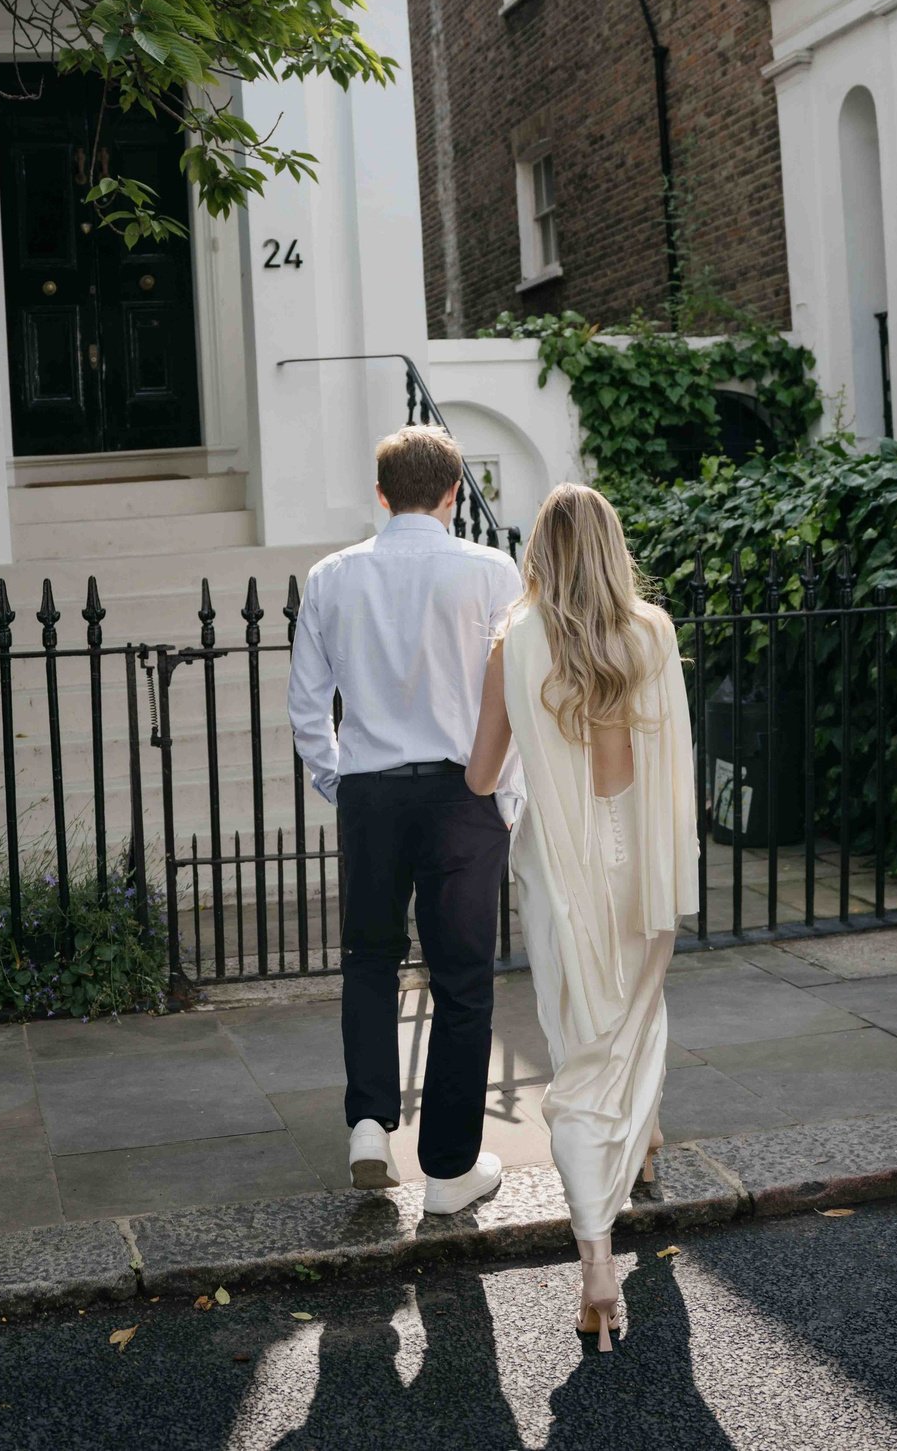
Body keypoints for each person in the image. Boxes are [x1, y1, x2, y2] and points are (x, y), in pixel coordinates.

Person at [464, 483, 697, 1350]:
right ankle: (638, 1146)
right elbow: (673, 761)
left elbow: (483, 777)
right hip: (640, 863)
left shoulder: (515, 642)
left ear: (542, 553)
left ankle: (596, 1259)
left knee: (577, 1049)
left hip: (561, 872)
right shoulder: (653, 633)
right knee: (632, 1028)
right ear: (610, 545)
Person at [288, 424, 522, 1215]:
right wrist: (505, 796)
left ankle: (366, 1123)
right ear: (454, 493)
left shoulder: (330, 575)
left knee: (368, 957)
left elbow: (306, 705)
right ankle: (449, 1171)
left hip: (371, 793)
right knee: (462, 981)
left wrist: (340, 780)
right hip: (466, 791)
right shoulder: (492, 570)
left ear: (381, 493)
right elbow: (516, 694)